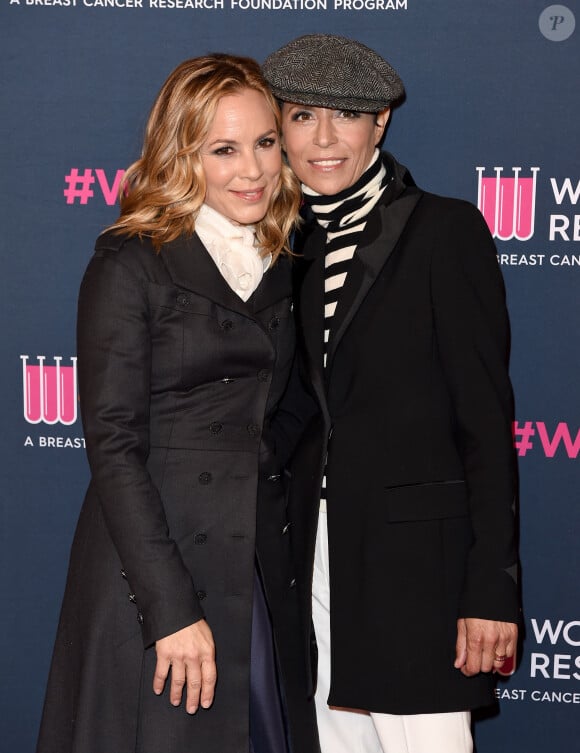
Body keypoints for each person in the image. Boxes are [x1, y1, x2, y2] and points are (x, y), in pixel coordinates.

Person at [36, 54, 320, 753]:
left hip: (249, 561)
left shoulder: (290, 253)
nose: (251, 170)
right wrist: (168, 606)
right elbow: (113, 443)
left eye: (264, 143)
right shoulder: (131, 260)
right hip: (150, 567)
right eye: (224, 149)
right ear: (182, 154)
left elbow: (294, 407)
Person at [263, 34, 520, 753]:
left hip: (417, 571)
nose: (323, 138)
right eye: (303, 114)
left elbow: (485, 422)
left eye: (346, 116)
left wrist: (490, 589)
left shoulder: (443, 230)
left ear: (380, 125)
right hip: (306, 557)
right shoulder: (276, 244)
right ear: (278, 127)